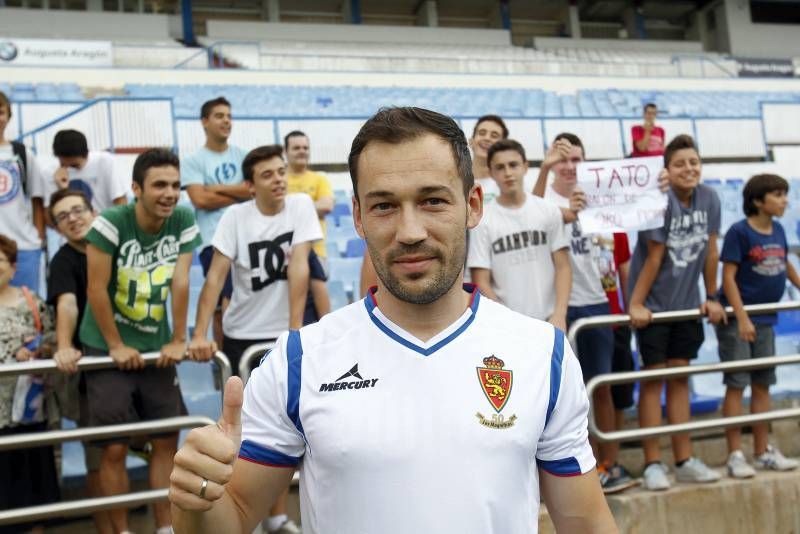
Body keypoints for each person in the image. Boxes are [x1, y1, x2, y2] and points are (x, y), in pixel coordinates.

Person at [170, 107, 618, 534]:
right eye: (384, 206)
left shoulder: (543, 354)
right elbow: (235, 515)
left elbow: (586, 524)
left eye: (433, 201)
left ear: (474, 205)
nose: (410, 232)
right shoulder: (298, 361)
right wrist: (195, 501)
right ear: (359, 218)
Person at [79, 148, 202, 534]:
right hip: (105, 343)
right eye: (159, 185)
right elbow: (96, 289)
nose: (169, 193)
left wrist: (180, 337)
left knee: (166, 439)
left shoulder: (182, 217)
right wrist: (116, 345)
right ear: (136, 188)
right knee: (113, 447)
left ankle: (166, 527)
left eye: (175, 185)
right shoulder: (111, 223)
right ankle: (122, 531)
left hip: (156, 345)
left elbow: (181, 281)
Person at [628, 134, 725, 491]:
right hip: (654, 307)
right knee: (653, 381)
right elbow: (654, 256)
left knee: (681, 378)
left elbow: (711, 253)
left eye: (694, 162)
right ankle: (653, 462)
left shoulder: (711, 198)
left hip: (687, 306)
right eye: (680, 163)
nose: (689, 168)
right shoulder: (659, 200)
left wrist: (712, 295)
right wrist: (635, 304)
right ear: (667, 169)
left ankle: (684, 459)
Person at [188, 144, 321, 376]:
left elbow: (299, 268)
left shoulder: (301, 205)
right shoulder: (235, 217)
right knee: (243, 408)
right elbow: (215, 278)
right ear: (250, 186)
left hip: (286, 332)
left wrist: (294, 331)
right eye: (267, 175)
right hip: (242, 333)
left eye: (281, 172)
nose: (278, 179)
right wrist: (199, 334)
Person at [532, 133, 618, 483]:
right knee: (557, 393)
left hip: (599, 301)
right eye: (561, 159)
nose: (569, 166)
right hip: (556, 306)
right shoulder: (543, 197)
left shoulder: (604, 196)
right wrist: (544, 169)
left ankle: (609, 462)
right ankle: (564, 472)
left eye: (576, 159)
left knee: (601, 386)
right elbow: (526, 216)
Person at [716, 173, 799, 478]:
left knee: (763, 383)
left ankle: (763, 451)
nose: (784, 201)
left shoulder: (777, 229)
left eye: (785, 194)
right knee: (737, 384)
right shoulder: (739, 232)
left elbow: (784, 263)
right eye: (777, 195)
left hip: (765, 320)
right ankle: (735, 454)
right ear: (757, 201)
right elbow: (728, 277)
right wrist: (741, 317)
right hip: (739, 321)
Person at [46, 188, 112, 533]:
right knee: (98, 459)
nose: (73, 218)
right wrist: (64, 345)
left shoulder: (114, 246)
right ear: (57, 228)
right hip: (92, 373)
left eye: (78, 210)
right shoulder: (63, 261)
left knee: (147, 441)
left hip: (128, 363)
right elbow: (67, 303)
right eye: (62, 216)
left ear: (93, 210)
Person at [467, 138, 571, 330]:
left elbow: (563, 266)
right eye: (500, 167)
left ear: (525, 167)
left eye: (513, 165)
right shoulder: (483, 220)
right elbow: (481, 280)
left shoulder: (548, 210)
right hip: (508, 325)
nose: (507, 173)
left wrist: (560, 313)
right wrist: (507, 321)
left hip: (551, 320)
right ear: (491, 173)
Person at [0, 234, 58, 534]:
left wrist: (37, 350)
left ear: (12, 266)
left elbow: (51, 339)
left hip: (29, 408)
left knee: (35, 480)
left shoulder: (31, 300)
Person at [183, 97, 250, 349]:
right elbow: (199, 198)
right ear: (204, 121)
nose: (226, 121)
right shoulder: (193, 160)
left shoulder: (243, 156)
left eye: (229, 116)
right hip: (213, 241)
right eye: (219, 116)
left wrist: (216, 189)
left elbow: (253, 191)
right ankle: (226, 361)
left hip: (246, 239)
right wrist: (238, 191)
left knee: (243, 303)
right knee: (222, 305)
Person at [594, 232, 639, 494]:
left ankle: (612, 462)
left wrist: (631, 307)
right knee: (595, 391)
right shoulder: (567, 222)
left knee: (619, 393)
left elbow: (624, 270)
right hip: (588, 316)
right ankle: (596, 464)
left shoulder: (616, 229)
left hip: (616, 319)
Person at [0, 91, 46, 294]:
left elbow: (37, 199)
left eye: (0, 112)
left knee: (26, 313)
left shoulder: (22, 153)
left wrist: (38, 236)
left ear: (8, 116)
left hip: (24, 248)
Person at [46, 129, 128, 212]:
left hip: (105, 222)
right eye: (64, 164)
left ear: (86, 154)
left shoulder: (106, 162)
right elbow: (52, 218)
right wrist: (62, 190)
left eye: (74, 165)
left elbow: (121, 202)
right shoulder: (53, 173)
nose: (68, 168)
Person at [284, 130, 333, 264]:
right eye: (296, 148)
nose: (302, 151)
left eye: (305, 148)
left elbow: (326, 206)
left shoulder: (320, 179)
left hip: (316, 253)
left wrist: (287, 208)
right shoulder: (279, 180)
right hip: (283, 253)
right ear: (285, 151)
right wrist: (311, 208)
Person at [469, 114, 508, 204]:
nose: (487, 138)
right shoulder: (456, 179)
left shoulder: (510, 183)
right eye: (482, 133)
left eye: (494, 136)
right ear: (471, 141)